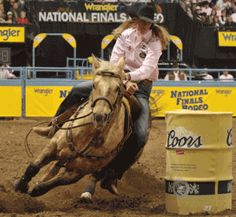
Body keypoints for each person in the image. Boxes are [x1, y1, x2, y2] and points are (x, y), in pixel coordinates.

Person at [33, 4, 170, 193]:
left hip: (140, 87)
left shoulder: (155, 42)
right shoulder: (127, 34)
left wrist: (129, 78)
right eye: (142, 21)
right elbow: (115, 60)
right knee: (77, 91)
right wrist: (121, 79)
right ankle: (54, 125)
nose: (144, 26)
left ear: (152, 24)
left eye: (148, 23)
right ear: (136, 20)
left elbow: (147, 68)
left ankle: (112, 174)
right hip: (115, 78)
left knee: (139, 135)